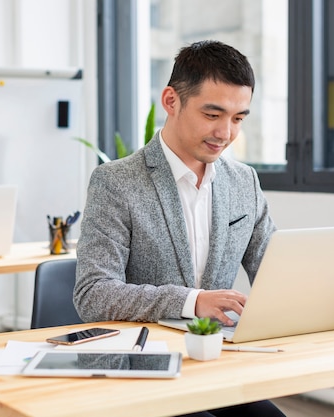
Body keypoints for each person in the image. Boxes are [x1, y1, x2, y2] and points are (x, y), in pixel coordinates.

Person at [74, 41, 284, 416]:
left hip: (218, 364)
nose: (225, 133)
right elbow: (93, 294)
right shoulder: (116, 182)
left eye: (238, 119)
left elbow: (276, 269)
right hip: (146, 370)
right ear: (171, 101)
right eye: (212, 114)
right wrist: (192, 301)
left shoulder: (243, 182)